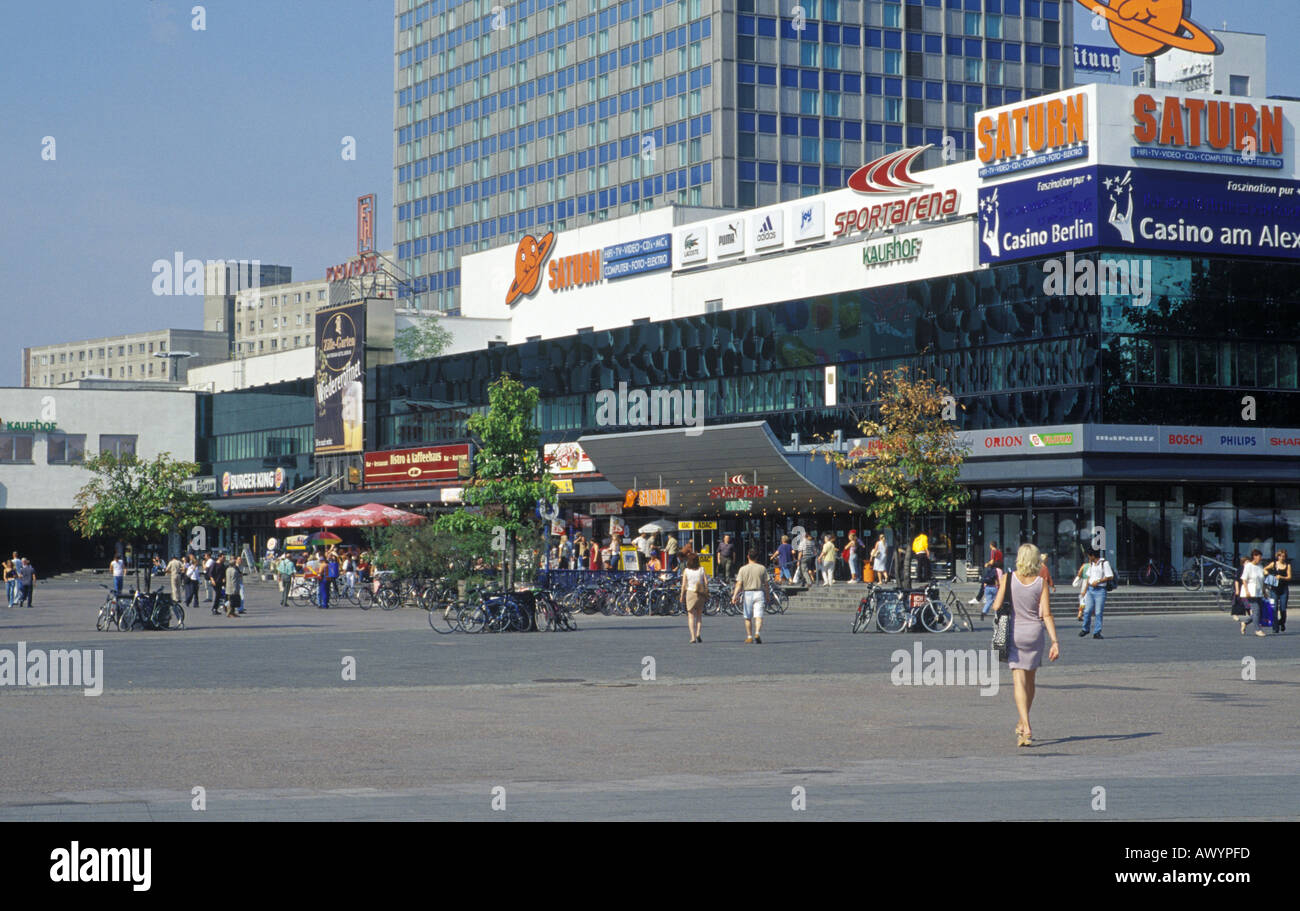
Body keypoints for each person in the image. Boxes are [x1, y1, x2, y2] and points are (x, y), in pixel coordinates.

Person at [990, 543, 1060, 747]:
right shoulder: (1041, 583)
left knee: (1018, 681)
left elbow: (996, 606)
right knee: (1030, 682)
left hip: (1014, 633)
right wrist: (1055, 641)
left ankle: (1026, 725)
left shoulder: (1007, 578)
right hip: (1035, 634)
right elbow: (1046, 614)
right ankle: (1022, 721)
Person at [731, 550, 770, 644]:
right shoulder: (762, 568)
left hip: (748, 593)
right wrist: (767, 595)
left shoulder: (743, 569)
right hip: (759, 592)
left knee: (747, 616)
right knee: (759, 615)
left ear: (748, 556)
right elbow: (766, 584)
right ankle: (757, 633)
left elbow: (739, 584)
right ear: (757, 557)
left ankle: (749, 636)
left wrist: (734, 596)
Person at [1080, 548, 1114, 639]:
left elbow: (1110, 576)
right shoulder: (1091, 564)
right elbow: (1088, 577)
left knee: (1098, 612)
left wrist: (1098, 581)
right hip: (1090, 589)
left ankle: (1097, 632)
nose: (1088, 558)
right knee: (1087, 610)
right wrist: (1084, 589)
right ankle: (1085, 629)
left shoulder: (1104, 563)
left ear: (1093, 556)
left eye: (1089, 556)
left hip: (1100, 590)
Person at [680, 552, 709, 643]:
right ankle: (698, 634)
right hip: (700, 593)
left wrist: (682, 596)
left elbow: (684, 585)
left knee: (691, 616)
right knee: (699, 615)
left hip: (690, 593)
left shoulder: (686, 571)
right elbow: (706, 582)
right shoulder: (701, 569)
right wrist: (706, 591)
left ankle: (692, 637)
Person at [1239, 549, 1267, 637]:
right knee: (1256, 610)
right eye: (1259, 556)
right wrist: (1246, 591)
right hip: (1251, 592)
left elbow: (1262, 580)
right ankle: (1257, 630)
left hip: (1258, 592)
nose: (1260, 558)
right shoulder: (1248, 566)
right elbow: (1244, 579)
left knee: (1260, 612)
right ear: (1254, 556)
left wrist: (1264, 591)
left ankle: (1245, 622)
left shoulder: (1260, 566)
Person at [1264, 550, 1291, 634]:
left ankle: (1282, 622)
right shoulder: (1274, 564)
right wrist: (1266, 573)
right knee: (1274, 608)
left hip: (1284, 589)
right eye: (1280, 556)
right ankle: (1275, 627)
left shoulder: (1288, 565)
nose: (1282, 558)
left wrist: (1281, 577)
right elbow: (1265, 569)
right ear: (1277, 556)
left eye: (1283, 556)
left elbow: (1289, 577)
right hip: (1274, 589)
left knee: (1283, 608)